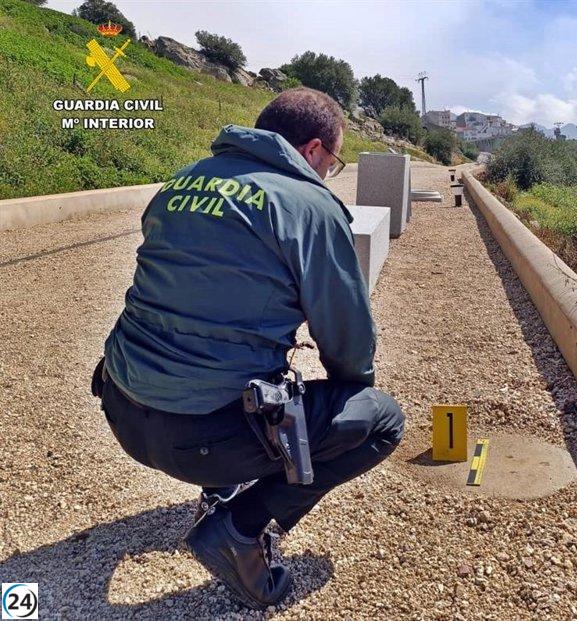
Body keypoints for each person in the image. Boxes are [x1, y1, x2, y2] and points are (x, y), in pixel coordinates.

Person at [91, 87, 405, 609]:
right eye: (333, 161)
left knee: (236, 370)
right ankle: (240, 527)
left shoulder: (182, 182)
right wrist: (348, 404)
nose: (329, 173)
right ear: (313, 150)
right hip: (203, 438)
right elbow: (348, 343)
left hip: (122, 410)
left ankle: (225, 486)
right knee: (380, 419)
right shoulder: (309, 205)